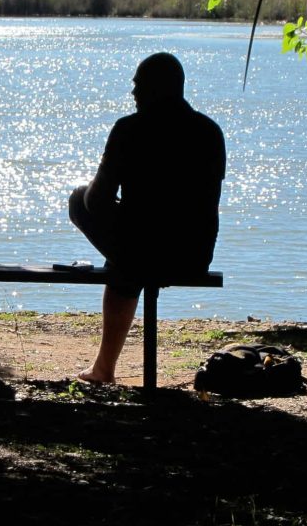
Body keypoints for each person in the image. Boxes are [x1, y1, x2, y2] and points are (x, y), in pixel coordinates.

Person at [70, 52, 226, 384]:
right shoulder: (210, 132)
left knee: (80, 204)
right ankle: (102, 367)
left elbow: (95, 202)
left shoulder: (129, 129)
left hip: (141, 250)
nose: (133, 94)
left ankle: (104, 368)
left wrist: (98, 196)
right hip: (193, 254)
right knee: (128, 254)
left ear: (158, 89)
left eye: (139, 86)